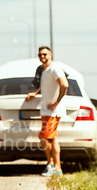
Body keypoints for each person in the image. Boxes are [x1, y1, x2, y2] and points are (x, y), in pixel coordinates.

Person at [26, 46, 68, 176]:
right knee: (52, 139)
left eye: (44, 54)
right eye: (40, 55)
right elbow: (46, 86)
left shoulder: (54, 68)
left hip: (53, 111)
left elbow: (64, 84)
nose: (42, 57)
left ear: (50, 54)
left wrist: (57, 102)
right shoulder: (44, 70)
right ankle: (56, 167)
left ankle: (52, 165)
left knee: (44, 137)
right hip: (46, 111)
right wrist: (35, 93)